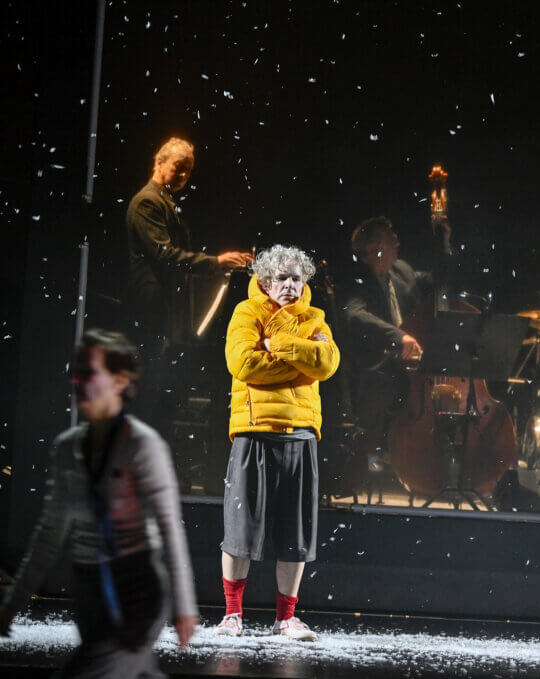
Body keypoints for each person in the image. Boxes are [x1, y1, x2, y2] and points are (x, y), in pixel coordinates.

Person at [0, 329, 198, 677]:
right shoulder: (67, 448)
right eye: (75, 371)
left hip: (138, 589)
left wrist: (184, 606)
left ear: (120, 380)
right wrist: (12, 604)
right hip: (89, 588)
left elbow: (169, 527)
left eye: (88, 371)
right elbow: (49, 535)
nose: (77, 380)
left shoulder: (142, 445)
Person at [216, 244, 340, 641]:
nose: (289, 285)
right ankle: (232, 615)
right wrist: (301, 360)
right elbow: (243, 364)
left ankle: (285, 619)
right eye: (281, 278)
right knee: (240, 528)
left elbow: (327, 363)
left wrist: (277, 345)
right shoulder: (246, 313)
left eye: (296, 278)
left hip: (302, 433)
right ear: (266, 281)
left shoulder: (316, 318)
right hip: (255, 430)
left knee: (296, 534)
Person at [341, 215, 452, 471]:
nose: (397, 244)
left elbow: (440, 281)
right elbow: (353, 313)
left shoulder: (401, 270)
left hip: (407, 361)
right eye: (391, 241)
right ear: (373, 250)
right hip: (376, 363)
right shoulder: (356, 278)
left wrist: (443, 242)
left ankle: (430, 457)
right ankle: (373, 453)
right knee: (382, 384)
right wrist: (399, 336)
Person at [125, 136, 253, 352]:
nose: (184, 175)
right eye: (179, 167)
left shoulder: (164, 201)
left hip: (166, 306)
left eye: (189, 170)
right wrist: (217, 262)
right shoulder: (148, 202)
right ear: (159, 162)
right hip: (153, 306)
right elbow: (166, 256)